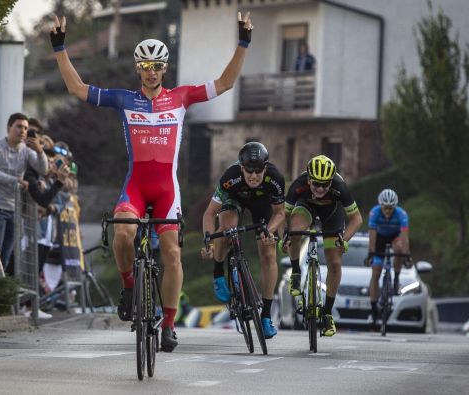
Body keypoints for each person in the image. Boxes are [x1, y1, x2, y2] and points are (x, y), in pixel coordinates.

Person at [49, 11, 253, 352]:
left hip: (166, 191)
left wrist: (243, 42)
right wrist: (59, 47)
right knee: (123, 233)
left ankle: (169, 325)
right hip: (136, 186)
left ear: (164, 68)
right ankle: (129, 286)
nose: (151, 71)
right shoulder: (124, 99)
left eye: (157, 66)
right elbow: (77, 88)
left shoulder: (182, 97)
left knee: (172, 253)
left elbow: (225, 83)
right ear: (138, 69)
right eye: (145, 66)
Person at [200, 142, 285, 339]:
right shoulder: (230, 177)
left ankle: (265, 317)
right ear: (241, 168)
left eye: (258, 171)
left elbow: (280, 213)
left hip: (262, 204)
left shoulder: (275, 179)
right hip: (234, 200)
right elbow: (209, 213)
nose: (254, 176)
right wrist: (208, 243)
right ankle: (219, 273)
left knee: (268, 252)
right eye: (249, 171)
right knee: (228, 227)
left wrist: (268, 230)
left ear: (265, 167)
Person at [281, 155, 363, 337]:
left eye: (325, 185)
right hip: (305, 207)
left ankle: (327, 312)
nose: (320, 189)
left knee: (334, 263)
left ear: (331, 181)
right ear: (309, 179)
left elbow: (357, 219)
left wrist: (344, 239)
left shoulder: (340, 187)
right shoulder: (298, 184)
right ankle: (296, 271)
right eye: (316, 184)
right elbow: (282, 214)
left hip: (331, 214)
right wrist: (284, 236)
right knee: (294, 231)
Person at [0, 112, 48, 274]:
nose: (23, 131)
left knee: (5, 257)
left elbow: (44, 169)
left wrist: (40, 151)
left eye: (25, 128)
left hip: (15, 210)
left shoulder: (26, 151)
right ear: (8, 128)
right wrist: (16, 181)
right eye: (19, 126)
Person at [365, 188, 411, 326]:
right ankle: (373, 309)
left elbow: (404, 237)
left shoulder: (402, 214)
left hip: (395, 237)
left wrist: (406, 254)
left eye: (391, 209)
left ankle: (396, 278)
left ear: (395, 207)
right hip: (379, 238)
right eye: (385, 208)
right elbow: (372, 234)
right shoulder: (374, 212)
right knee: (376, 272)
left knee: (399, 249)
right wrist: (371, 253)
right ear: (381, 206)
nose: (388, 211)